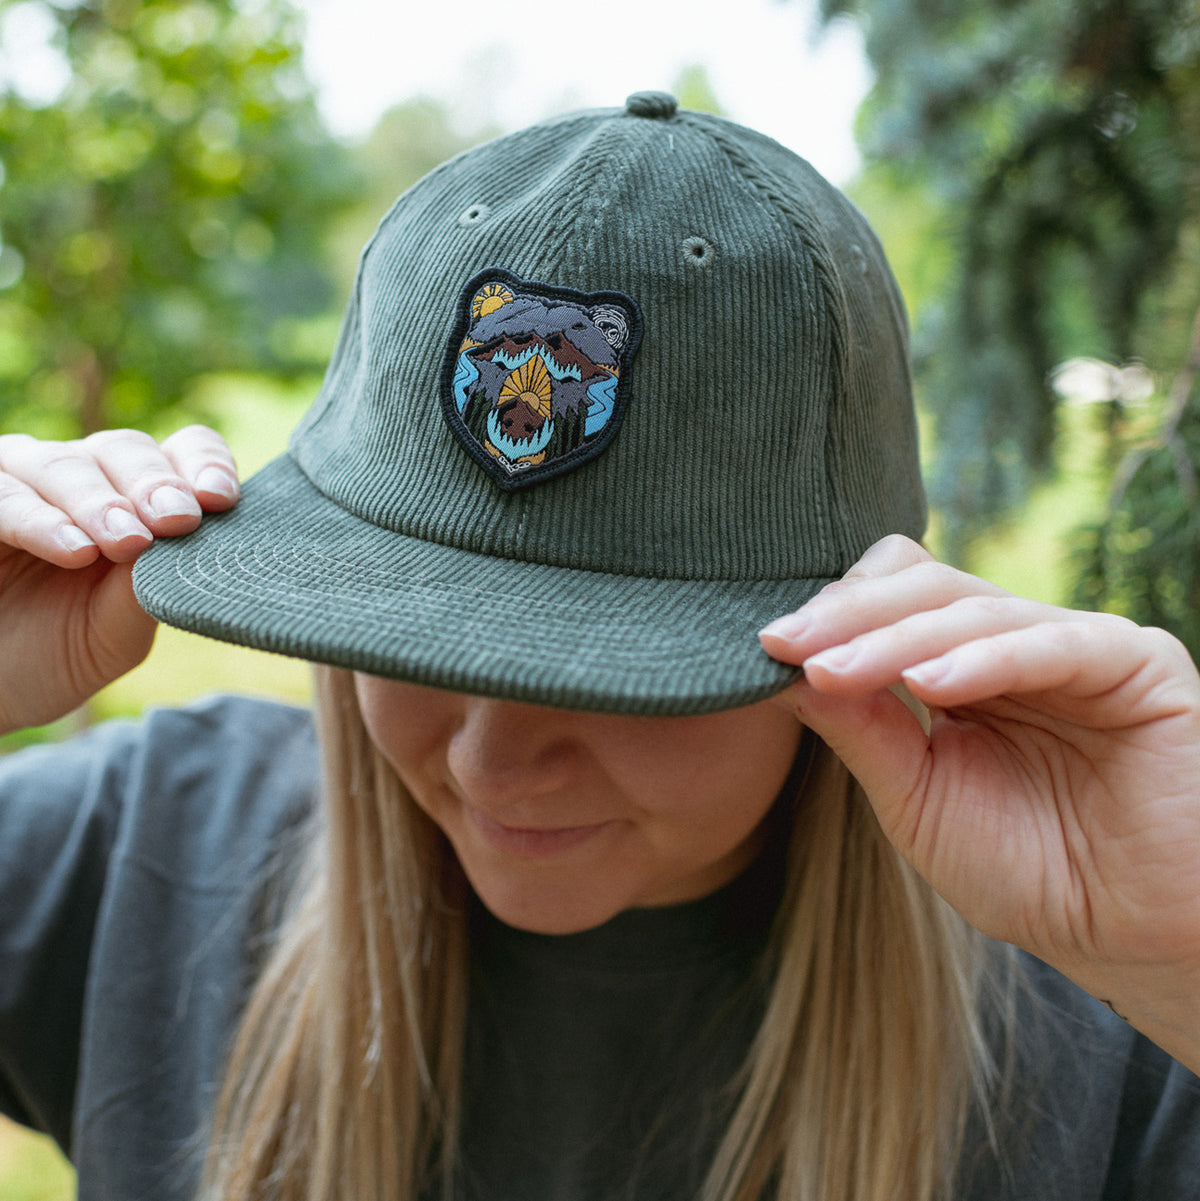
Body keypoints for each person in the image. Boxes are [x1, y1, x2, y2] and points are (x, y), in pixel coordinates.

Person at [0, 90, 1198, 1201]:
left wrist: (1180, 956)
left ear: (860, 633)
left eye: (616, 672)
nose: (490, 761)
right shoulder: (138, 852)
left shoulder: (1105, 1025)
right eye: (408, 638)